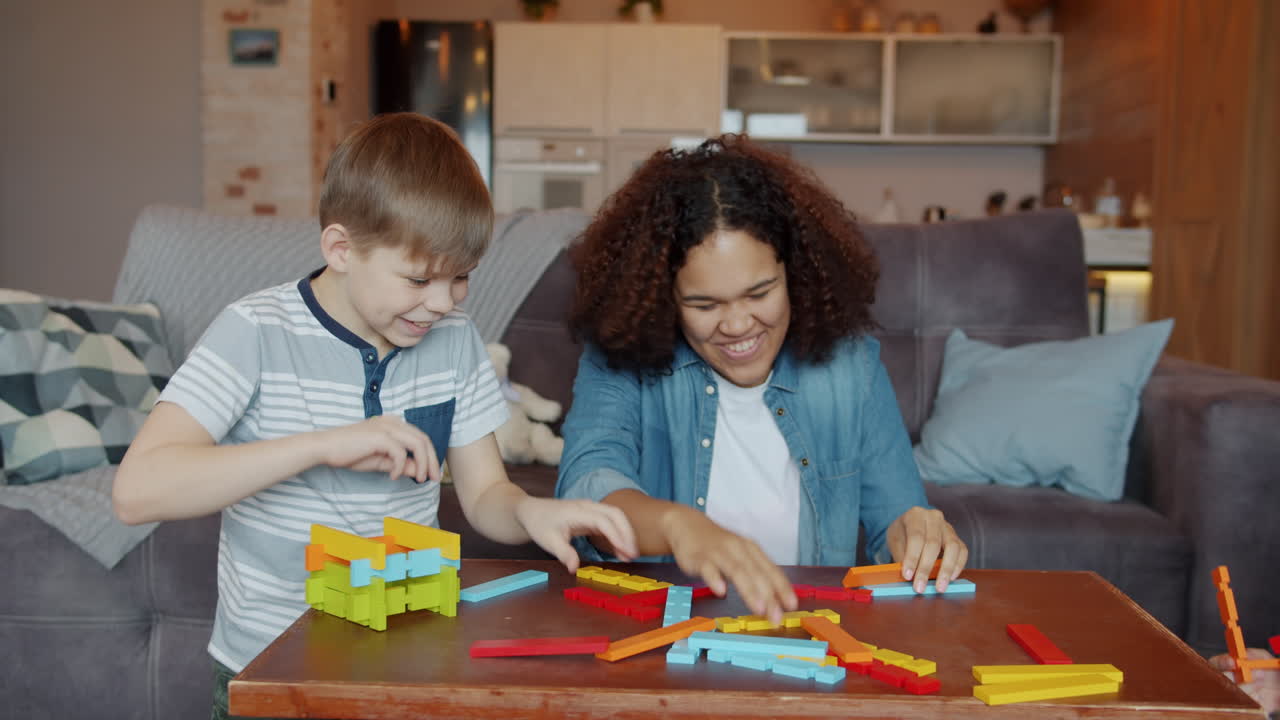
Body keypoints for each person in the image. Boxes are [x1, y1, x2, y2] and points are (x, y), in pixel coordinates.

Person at [113, 113, 636, 719]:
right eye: (418, 278)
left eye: (460, 278)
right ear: (340, 249)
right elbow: (137, 491)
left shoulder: (454, 340)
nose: (442, 304)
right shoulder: (253, 332)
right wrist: (320, 445)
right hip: (270, 668)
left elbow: (486, 490)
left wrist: (530, 510)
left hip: (404, 660)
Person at [555, 134, 968, 626]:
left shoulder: (852, 366)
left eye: (759, 293)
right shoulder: (620, 359)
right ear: (662, 297)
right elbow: (587, 486)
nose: (736, 325)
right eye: (705, 305)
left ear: (794, 272)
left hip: (807, 638)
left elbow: (895, 525)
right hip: (660, 638)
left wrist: (917, 534)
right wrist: (680, 527)